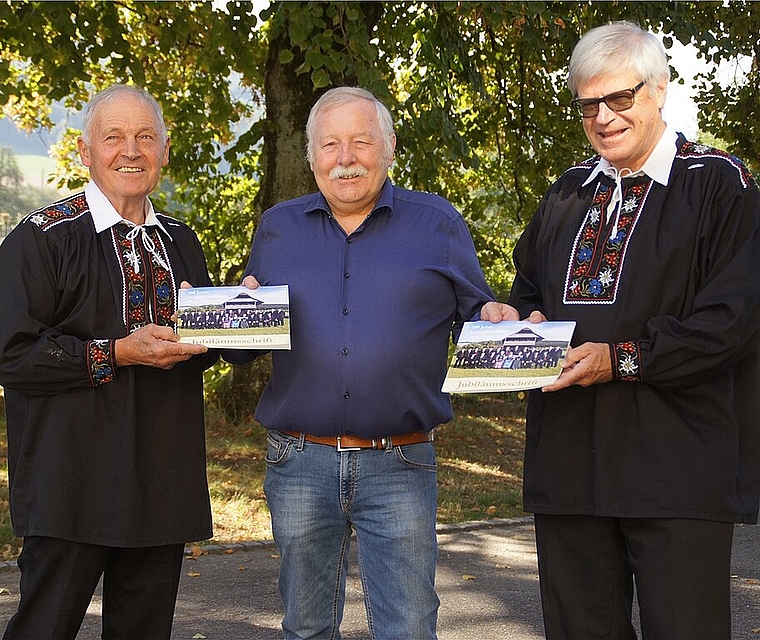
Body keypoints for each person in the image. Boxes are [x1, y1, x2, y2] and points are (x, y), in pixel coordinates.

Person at [503, 21, 760, 639]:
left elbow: (730, 324)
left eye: (620, 98)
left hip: (677, 471)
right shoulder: (566, 194)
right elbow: (529, 292)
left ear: (660, 89)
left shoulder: (721, 185)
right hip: (569, 472)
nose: (604, 117)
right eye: (588, 104)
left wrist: (619, 359)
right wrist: (512, 323)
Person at [237, 86, 511, 640]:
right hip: (298, 463)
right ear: (311, 154)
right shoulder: (277, 228)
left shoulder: (437, 223)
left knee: (407, 628)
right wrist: (223, 312)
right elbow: (247, 329)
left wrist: (497, 316)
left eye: (360, 141)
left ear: (388, 148)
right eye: (330, 144)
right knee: (306, 628)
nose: (345, 158)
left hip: (399, 465)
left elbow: (477, 312)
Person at [0, 84, 215, 639]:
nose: (131, 150)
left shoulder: (181, 242)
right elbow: (12, 353)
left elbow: (202, 344)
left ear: (165, 152)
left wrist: (244, 317)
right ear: (85, 150)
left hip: (161, 485)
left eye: (146, 137)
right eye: (114, 136)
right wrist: (118, 352)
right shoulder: (42, 238)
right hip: (69, 485)